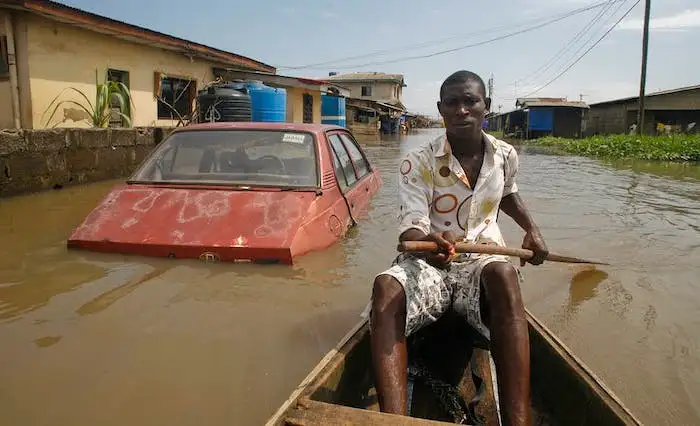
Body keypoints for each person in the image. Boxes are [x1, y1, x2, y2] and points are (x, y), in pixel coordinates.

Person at [368, 70, 549, 426]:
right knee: (385, 288)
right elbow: (411, 227)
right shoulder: (418, 161)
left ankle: (518, 421)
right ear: (441, 109)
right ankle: (393, 421)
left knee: (504, 275)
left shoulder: (504, 155)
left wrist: (532, 229)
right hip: (431, 265)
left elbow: (508, 192)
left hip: (481, 262)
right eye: (452, 102)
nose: (462, 110)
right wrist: (426, 246)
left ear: (487, 107)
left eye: (471, 101)